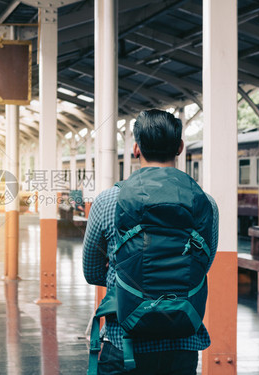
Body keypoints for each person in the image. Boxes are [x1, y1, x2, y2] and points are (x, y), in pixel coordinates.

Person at [82, 109, 219, 375]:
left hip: (124, 344)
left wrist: (129, 277)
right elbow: (203, 265)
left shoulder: (108, 201)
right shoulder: (205, 203)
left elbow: (92, 272)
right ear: (180, 147)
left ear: (136, 148)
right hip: (182, 343)